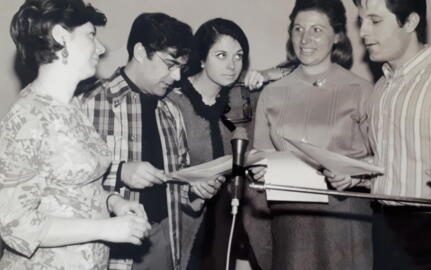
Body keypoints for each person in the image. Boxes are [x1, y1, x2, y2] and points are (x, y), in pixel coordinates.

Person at [0, 0, 151, 269]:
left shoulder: (73, 106)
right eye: (91, 34)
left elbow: (74, 187)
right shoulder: (27, 117)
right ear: (60, 36)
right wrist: (104, 229)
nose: (101, 47)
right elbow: (15, 224)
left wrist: (111, 200)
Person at [81, 12, 224, 270]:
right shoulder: (89, 103)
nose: (177, 76)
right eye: (170, 64)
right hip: (105, 247)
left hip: (163, 241)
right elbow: (63, 183)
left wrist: (195, 188)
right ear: (139, 51)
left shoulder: (171, 111)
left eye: (182, 67)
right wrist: (120, 171)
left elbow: (178, 184)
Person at [346, 0, 431, 268]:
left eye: (375, 20)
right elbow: (390, 165)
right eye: (361, 21)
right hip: (385, 229)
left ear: (410, 22)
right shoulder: (381, 88)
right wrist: (352, 174)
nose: (362, 32)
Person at [249, 0, 374, 269]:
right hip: (290, 219)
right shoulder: (271, 93)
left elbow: (381, 160)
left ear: (337, 35)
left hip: (345, 218)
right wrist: (258, 167)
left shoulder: (361, 91)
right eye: (298, 29)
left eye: (317, 29)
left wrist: (355, 176)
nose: (305, 39)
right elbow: (260, 153)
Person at [167, 18, 265, 270]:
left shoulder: (242, 98)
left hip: (230, 217)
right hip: (184, 219)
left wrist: (264, 75)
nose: (232, 66)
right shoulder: (173, 102)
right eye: (221, 55)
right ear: (201, 58)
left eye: (238, 56)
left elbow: (295, 68)